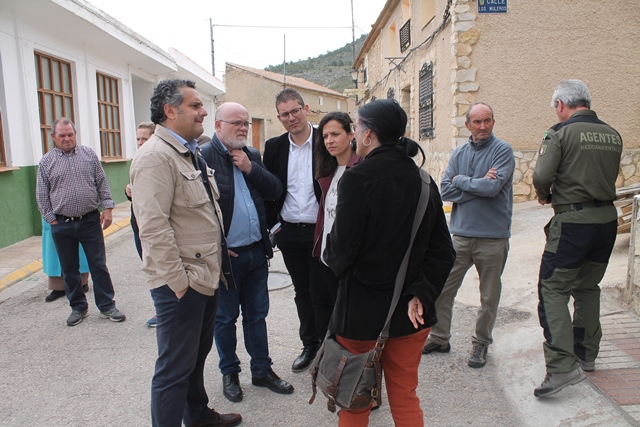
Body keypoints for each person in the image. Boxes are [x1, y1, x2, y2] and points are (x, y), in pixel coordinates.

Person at [323, 99, 455, 426]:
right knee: (405, 394)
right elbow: (443, 251)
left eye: (357, 127)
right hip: (411, 313)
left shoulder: (356, 179)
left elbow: (340, 253)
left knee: (355, 400)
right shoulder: (424, 180)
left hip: (361, 315)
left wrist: (329, 257)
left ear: (369, 135)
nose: (354, 135)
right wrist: (421, 293)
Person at [130, 79, 241, 427]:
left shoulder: (187, 149)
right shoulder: (155, 157)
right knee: (173, 369)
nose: (203, 111)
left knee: (195, 357)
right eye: (195, 105)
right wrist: (179, 283)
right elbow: (152, 227)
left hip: (204, 275)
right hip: (182, 284)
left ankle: (198, 416)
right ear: (170, 111)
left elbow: (196, 214)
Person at [532, 79, 622, 398]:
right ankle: (587, 354)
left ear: (561, 105)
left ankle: (561, 367)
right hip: (607, 220)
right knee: (587, 287)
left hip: (572, 222)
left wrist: (545, 195)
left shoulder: (559, 133)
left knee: (553, 288)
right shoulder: (612, 134)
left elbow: (542, 177)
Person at [200, 102, 293, 403]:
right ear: (218, 125)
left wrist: (251, 168)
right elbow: (196, 214)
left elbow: (275, 190)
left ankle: (261, 370)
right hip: (227, 257)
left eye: (246, 123)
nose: (243, 128)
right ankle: (230, 373)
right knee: (225, 318)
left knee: (257, 315)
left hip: (255, 252)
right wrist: (217, 249)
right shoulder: (203, 158)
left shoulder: (251, 155)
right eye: (236, 122)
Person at [422, 102, 515, 369]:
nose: (482, 126)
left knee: (488, 297)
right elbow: (445, 191)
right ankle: (440, 338)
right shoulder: (459, 153)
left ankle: (481, 344)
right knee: (442, 290)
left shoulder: (503, 151)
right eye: (477, 122)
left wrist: (462, 180)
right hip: (460, 236)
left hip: (493, 238)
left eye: (487, 120)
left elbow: (493, 187)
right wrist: (476, 183)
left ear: (493, 122)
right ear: (468, 125)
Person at [36, 117, 125, 327]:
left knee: (98, 264)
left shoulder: (88, 155)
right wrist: (51, 219)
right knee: (69, 268)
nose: (67, 139)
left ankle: (107, 306)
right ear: (53, 137)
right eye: (62, 135)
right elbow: (41, 194)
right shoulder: (46, 162)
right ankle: (78, 307)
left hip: (90, 221)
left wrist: (108, 208)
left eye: (70, 134)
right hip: (62, 224)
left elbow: (101, 182)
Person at [263, 88, 322, 372]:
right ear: (279, 118)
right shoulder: (274, 147)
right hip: (288, 232)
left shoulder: (326, 139)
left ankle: (331, 347)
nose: (291, 117)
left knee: (326, 289)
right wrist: (274, 227)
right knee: (302, 291)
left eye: (295, 110)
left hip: (321, 231)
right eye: (285, 114)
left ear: (306, 108)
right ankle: (310, 345)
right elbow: (266, 190)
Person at [312, 111, 360, 339]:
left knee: (348, 319)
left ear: (351, 134)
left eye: (335, 134)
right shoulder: (327, 170)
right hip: (325, 257)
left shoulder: (362, 169)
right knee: (327, 313)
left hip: (348, 262)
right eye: (325, 135)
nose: (329, 140)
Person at [125, 121, 157, 327]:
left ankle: (165, 311)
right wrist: (128, 192)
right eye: (138, 139)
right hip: (139, 226)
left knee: (159, 271)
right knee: (150, 271)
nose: (140, 142)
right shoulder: (138, 159)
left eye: (144, 138)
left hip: (154, 229)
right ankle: (160, 309)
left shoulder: (157, 159)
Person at [42, 218, 90, 302]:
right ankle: (58, 286)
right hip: (52, 210)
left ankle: (82, 282)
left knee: (77, 244)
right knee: (52, 246)